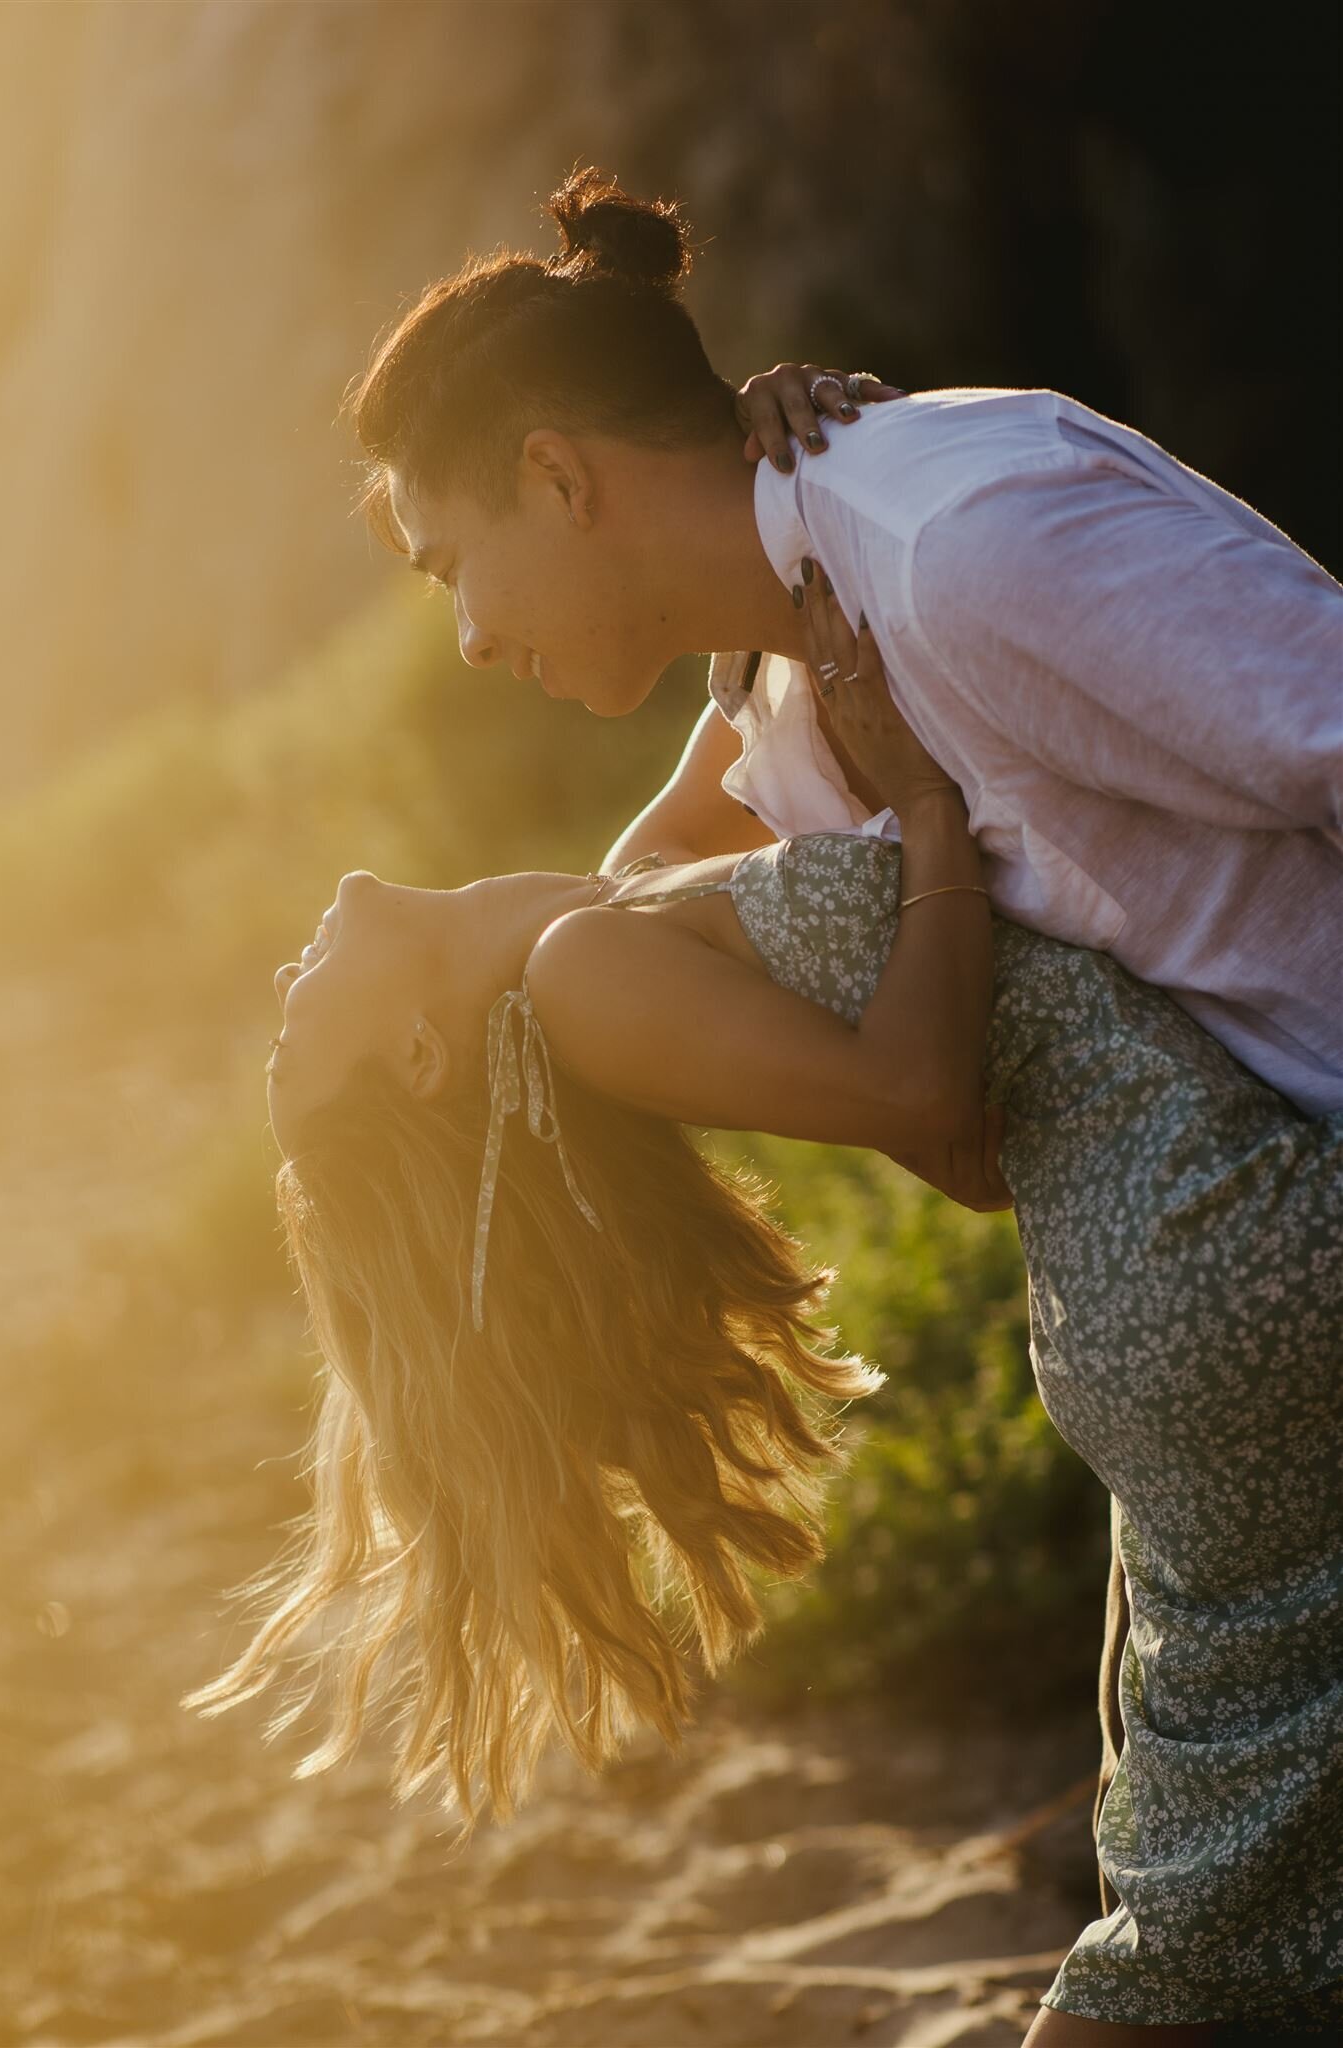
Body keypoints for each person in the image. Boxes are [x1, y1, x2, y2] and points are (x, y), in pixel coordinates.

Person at [182, 607, 1342, 2041]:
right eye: (299, 1030)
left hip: (1159, 1282)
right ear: (418, 1056)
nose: (282, 987)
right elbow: (915, 1091)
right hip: (1195, 1262)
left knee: (1202, 1882)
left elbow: (743, 709)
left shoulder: (605, 919)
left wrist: (771, 525)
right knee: (1182, 1941)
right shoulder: (577, 980)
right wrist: (924, 804)